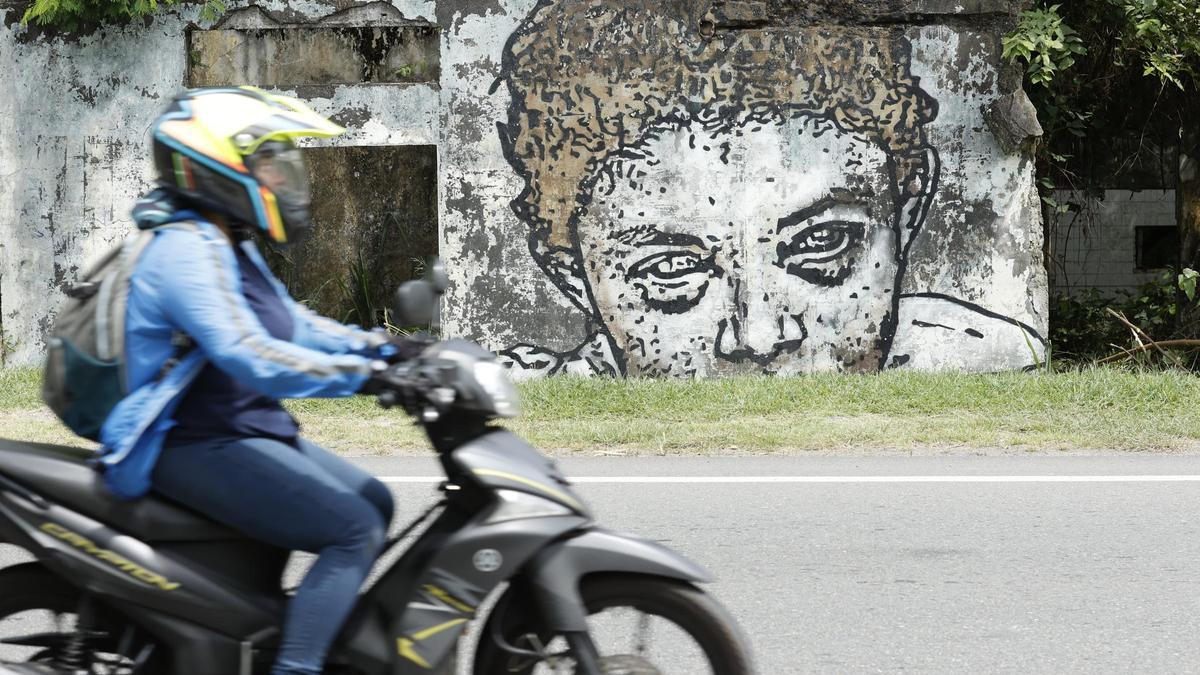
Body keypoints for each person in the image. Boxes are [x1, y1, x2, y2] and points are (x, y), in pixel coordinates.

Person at [495, 0, 1046, 377]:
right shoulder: (498, 406)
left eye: (823, 245)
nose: (759, 337)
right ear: (572, 275)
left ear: (909, 210)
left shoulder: (990, 355)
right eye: (669, 271)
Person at [98, 86, 412, 675]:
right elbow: (251, 357)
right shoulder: (183, 249)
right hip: (193, 441)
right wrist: (369, 378)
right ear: (216, 165)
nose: (281, 176)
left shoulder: (226, 240)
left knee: (376, 498)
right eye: (266, 162)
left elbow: (292, 324)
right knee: (353, 528)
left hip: (241, 429)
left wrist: (387, 348)